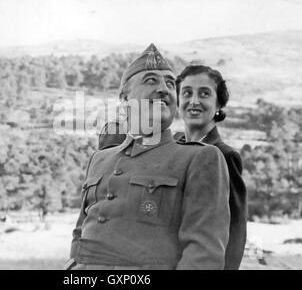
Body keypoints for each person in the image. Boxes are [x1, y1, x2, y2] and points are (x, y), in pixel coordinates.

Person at [66, 44, 230, 270]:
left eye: (171, 84)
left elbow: (203, 252)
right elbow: (81, 233)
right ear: (124, 99)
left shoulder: (201, 158)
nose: (164, 89)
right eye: (151, 80)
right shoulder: (100, 160)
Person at [174, 65, 247, 270]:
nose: (194, 101)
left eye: (204, 94)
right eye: (187, 93)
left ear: (218, 104)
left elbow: (235, 230)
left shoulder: (225, 156)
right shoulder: (169, 148)